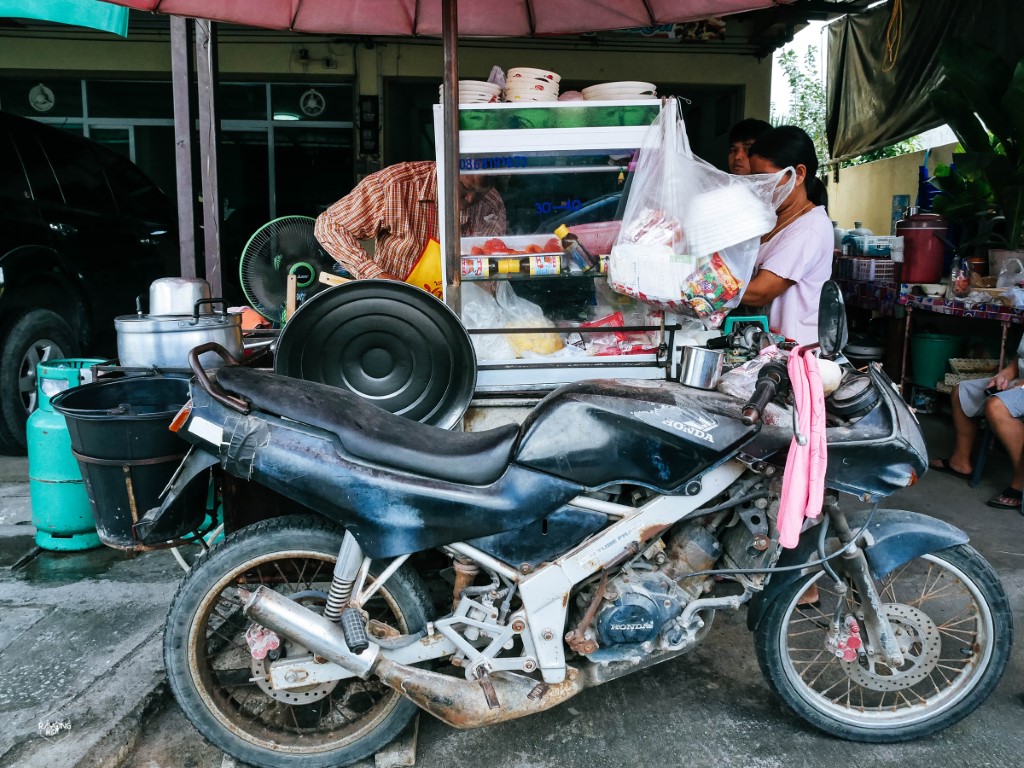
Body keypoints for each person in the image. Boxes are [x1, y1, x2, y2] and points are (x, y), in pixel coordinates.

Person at [314, 160, 506, 280]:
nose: (471, 199)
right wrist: (374, 274)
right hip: (396, 308)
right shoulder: (395, 185)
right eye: (464, 187)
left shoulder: (491, 203)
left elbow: (491, 268)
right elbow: (330, 225)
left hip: (461, 314)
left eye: (479, 193)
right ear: (445, 169)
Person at [739, 126, 833, 345]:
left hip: (795, 352)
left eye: (766, 179)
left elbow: (761, 292)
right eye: (755, 178)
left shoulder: (810, 227)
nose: (760, 187)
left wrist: (701, 287)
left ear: (798, 174)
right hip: (769, 346)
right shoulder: (771, 220)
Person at [929, 337, 1024, 509]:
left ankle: (1020, 483)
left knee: (996, 406)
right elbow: (1021, 358)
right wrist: (1004, 375)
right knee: (962, 391)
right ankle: (960, 462)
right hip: (1020, 383)